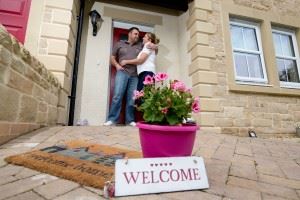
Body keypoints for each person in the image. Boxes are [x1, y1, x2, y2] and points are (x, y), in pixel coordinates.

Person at [104, 27, 154, 126]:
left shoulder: (141, 45)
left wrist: (155, 45)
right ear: (129, 34)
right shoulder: (119, 44)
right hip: (122, 72)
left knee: (131, 98)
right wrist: (117, 65)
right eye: (135, 34)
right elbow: (112, 57)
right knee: (117, 95)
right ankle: (112, 119)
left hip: (135, 75)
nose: (137, 36)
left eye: (138, 35)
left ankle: (130, 120)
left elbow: (153, 46)